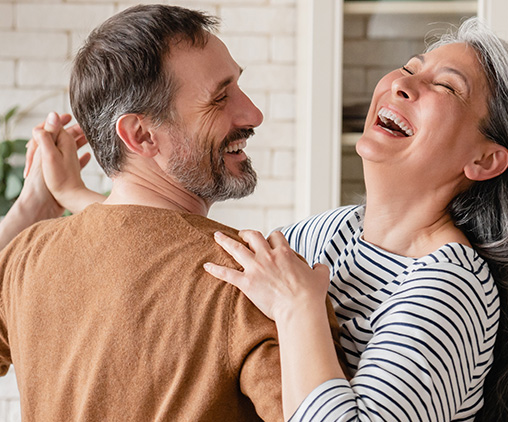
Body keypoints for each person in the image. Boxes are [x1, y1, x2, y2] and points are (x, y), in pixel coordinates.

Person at [18, 17, 508, 422]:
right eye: (412, 69)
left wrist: (303, 313)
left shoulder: (447, 289)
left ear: (484, 158)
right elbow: (171, 246)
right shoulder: (328, 235)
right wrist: (70, 198)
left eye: (444, 87)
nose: (402, 82)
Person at [0, 5, 344, 421]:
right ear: (141, 135)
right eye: (220, 98)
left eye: (238, 85)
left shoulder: (27, 258)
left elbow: (136, 239)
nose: (252, 113)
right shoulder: (257, 282)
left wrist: (30, 210)